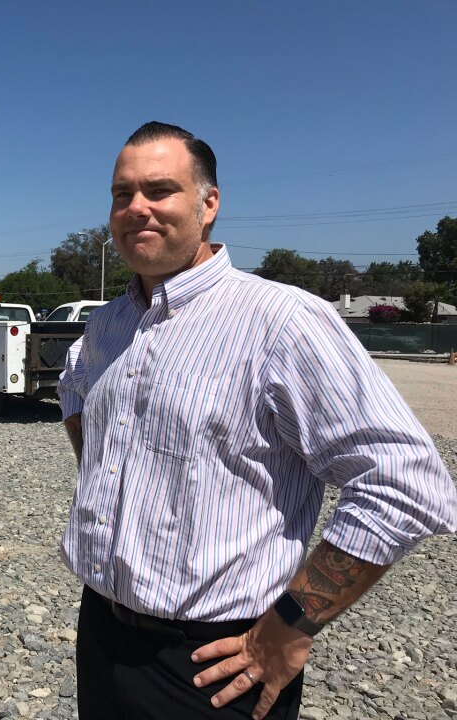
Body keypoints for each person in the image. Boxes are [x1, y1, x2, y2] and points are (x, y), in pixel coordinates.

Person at [57, 121, 457, 720]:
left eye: (160, 190)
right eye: (122, 194)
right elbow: (75, 395)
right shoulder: (107, 326)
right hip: (102, 632)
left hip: (214, 662)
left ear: (209, 203)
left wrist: (291, 626)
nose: (137, 208)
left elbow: (404, 482)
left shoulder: (282, 322)